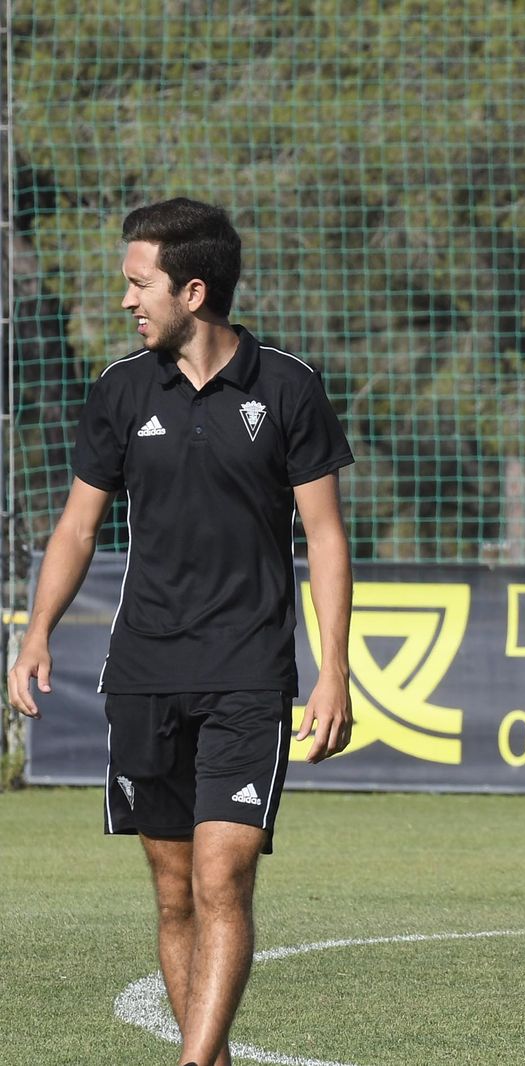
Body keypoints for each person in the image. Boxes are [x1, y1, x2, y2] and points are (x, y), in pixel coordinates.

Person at [5, 198, 354, 1066]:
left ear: (192, 291)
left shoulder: (287, 387)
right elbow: (79, 527)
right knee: (172, 897)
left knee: (221, 878)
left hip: (249, 676)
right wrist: (37, 631)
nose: (128, 300)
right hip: (145, 674)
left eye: (139, 283)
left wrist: (335, 670)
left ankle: (193, 1062)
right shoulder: (120, 391)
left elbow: (326, 536)